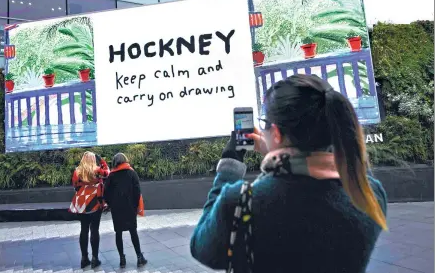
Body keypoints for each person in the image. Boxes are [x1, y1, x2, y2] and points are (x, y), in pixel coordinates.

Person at [190, 74, 388, 273]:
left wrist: (229, 165)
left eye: (265, 123)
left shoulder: (241, 202)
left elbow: (203, 249)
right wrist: (277, 151)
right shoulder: (369, 195)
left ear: (275, 133)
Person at [104, 153, 148, 268]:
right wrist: (134, 205)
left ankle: (122, 259)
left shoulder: (111, 176)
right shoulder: (132, 173)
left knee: (118, 233)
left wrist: (111, 204)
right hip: (130, 208)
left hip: (117, 209)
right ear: (125, 160)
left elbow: (105, 193)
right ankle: (139, 257)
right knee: (133, 232)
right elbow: (137, 191)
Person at [70, 151, 108, 269]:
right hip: (95, 202)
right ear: (93, 159)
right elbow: (108, 173)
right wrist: (102, 160)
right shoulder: (97, 170)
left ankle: (84, 258)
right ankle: (95, 259)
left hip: (81, 204)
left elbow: (75, 185)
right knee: (94, 229)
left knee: (84, 229)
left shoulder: (77, 171)